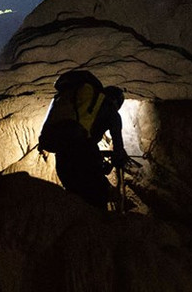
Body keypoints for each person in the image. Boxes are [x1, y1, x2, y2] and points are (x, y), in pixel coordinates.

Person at [38, 70, 128, 208]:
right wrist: (118, 159)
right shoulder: (111, 111)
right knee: (96, 204)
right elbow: (117, 149)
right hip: (84, 155)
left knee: (76, 200)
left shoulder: (83, 106)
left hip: (62, 157)